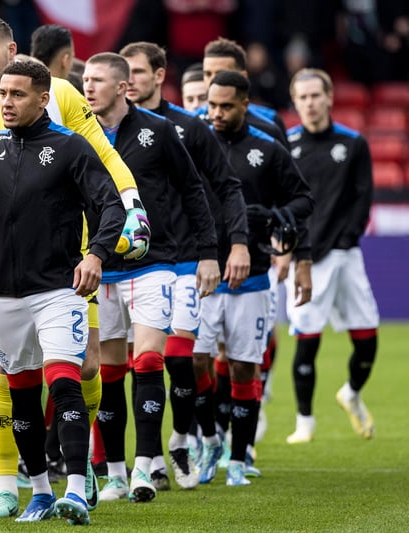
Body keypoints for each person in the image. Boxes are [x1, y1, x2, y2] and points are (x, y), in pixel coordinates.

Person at [0, 13, 148, 519]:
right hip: (4, 283)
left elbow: (105, 166)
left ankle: (83, 485)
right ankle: (22, 488)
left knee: (72, 374)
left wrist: (103, 245)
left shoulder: (64, 111)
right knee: (13, 383)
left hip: (65, 277)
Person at [82, 52, 219, 501]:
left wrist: (208, 252)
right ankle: (116, 474)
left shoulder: (157, 131)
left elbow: (193, 189)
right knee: (110, 370)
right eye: (85, 79)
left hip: (154, 263)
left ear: (123, 87)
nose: (88, 87)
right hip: (101, 267)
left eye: (98, 80)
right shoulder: (78, 135)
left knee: (148, 362)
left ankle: (144, 466)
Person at [115, 41, 249, 493]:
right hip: (136, 262)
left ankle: (180, 438)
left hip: (185, 258)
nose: (129, 79)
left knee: (180, 356)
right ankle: (151, 457)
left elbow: (221, 187)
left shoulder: (187, 128)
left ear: (159, 74)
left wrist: (229, 247)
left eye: (137, 71)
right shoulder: (109, 129)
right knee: (137, 362)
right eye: (124, 71)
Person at [195, 70, 313, 487]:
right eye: (212, 105)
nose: (217, 113)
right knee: (193, 362)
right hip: (199, 272)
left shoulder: (268, 149)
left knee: (245, 368)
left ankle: (240, 458)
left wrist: (275, 217)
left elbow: (303, 199)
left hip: (254, 275)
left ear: (245, 103)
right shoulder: (193, 145)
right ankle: (208, 439)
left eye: (227, 105)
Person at [283, 68, 378, 443]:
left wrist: (346, 237)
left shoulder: (353, 143)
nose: (309, 103)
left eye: (315, 95)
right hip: (305, 258)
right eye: (302, 97)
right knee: (307, 339)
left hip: (345, 254)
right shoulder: (287, 145)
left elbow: (362, 198)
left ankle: (351, 392)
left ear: (329, 97)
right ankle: (304, 421)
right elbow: (282, 200)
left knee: (368, 338)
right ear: (295, 102)